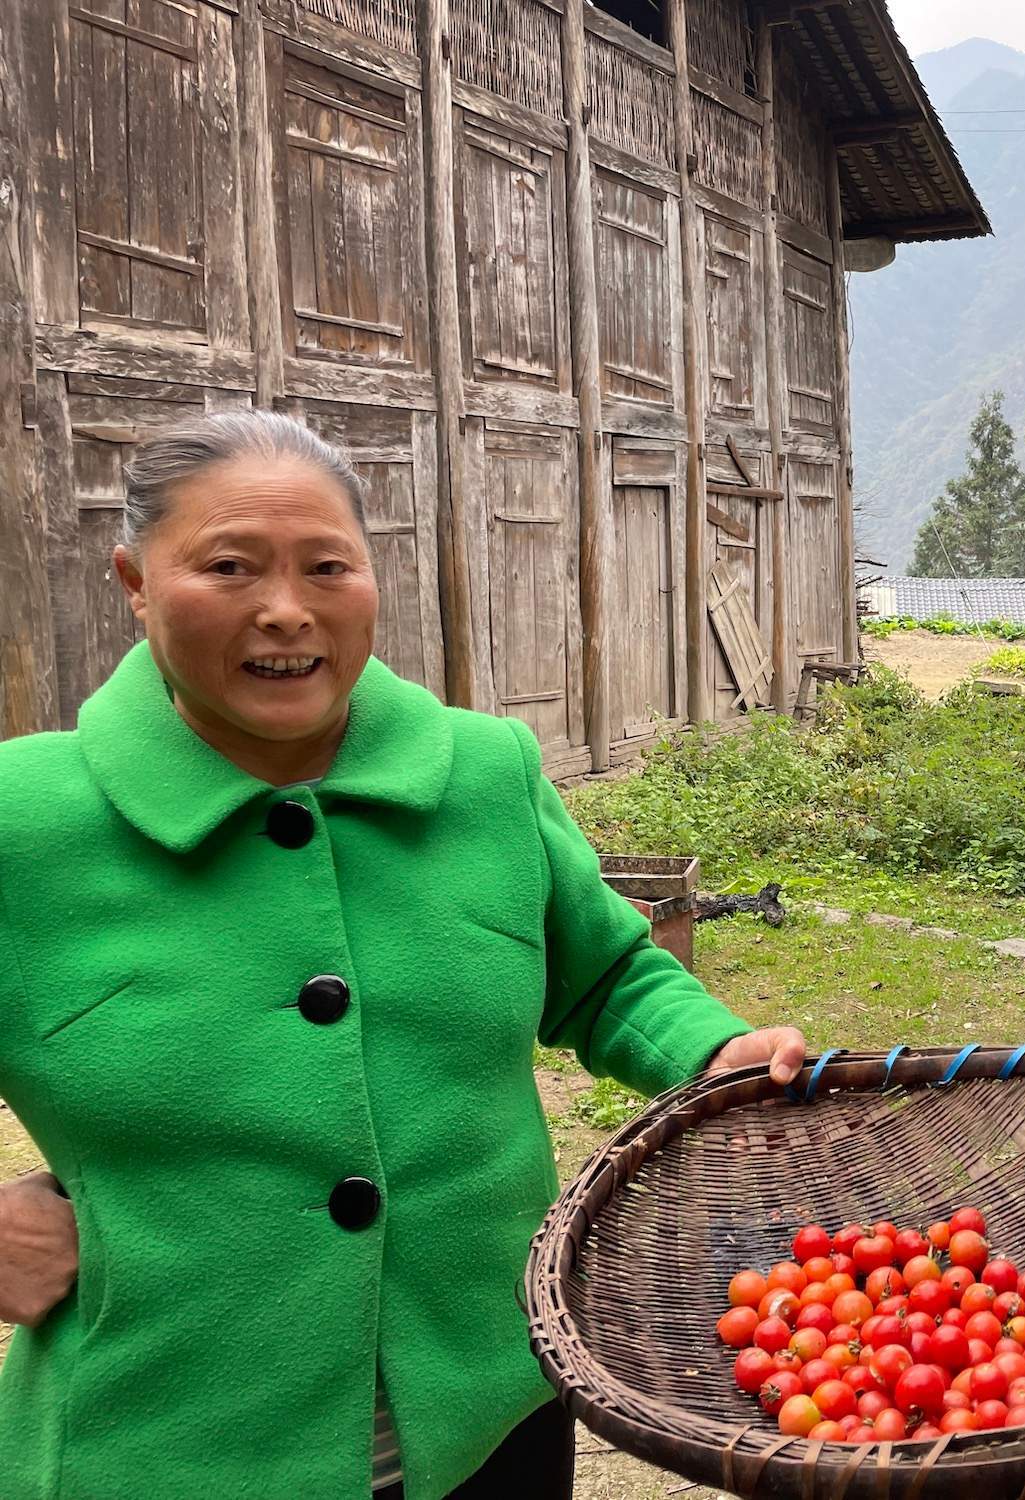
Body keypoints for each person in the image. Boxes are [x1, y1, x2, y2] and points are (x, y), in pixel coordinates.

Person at [0, 411, 807, 1500]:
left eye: (327, 566)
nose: (286, 610)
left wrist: (710, 1047)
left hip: (489, 1416)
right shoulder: (24, 822)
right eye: (229, 565)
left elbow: (609, 975)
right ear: (134, 580)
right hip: (157, 1439)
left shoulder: (484, 772)